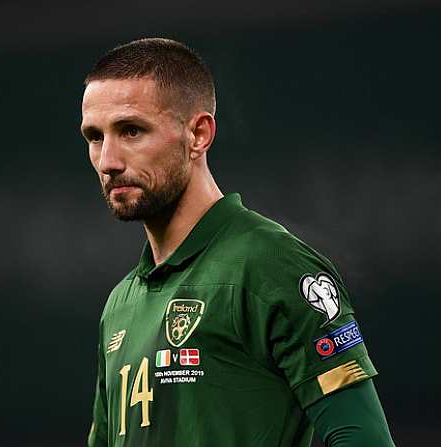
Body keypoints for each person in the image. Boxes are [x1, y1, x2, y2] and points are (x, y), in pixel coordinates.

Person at [80, 38, 395, 447]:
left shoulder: (272, 266)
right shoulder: (120, 304)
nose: (108, 160)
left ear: (198, 134)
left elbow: (363, 438)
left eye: (131, 130)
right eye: (94, 137)